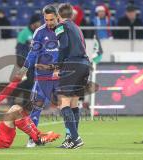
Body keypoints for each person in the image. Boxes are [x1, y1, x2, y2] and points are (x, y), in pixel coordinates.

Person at [0, 79, 60, 149]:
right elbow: (5, 93)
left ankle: (38, 136)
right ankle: (37, 138)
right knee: (16, 110)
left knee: (14, 109)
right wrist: (17, 80)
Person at [19, 5, 59, 147]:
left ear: (57, 16)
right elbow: (33, 53)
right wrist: (24, 68)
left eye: (52, 19)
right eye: (46, 20)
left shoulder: (64, 30)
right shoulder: (39, 32)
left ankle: (72, 137)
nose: (49, 22)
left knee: (68, 106)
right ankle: (33, 138)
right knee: (36, 106)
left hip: (61, 75)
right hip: (43, 76)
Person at [54, 3, 90, 149]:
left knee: (64, 103)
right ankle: (71, 139)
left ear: (58, 16)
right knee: (74, 103)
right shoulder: (77, 28)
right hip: (84, 64)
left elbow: (63, 46)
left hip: (72, 65)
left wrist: (59, 66)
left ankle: (75, 138)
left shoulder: (61, 26)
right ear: (72, 15)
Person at [8, 14, 42, 110]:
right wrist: (22, 62)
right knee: (28, 80)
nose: (39, 24)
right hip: (24, 61)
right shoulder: (24, 33)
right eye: (38, 22)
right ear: (33, 23)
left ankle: (24, 102)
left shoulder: (38, 33)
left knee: (30, 82)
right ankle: (13, 96)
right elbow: (19, 49)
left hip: (33, 61)